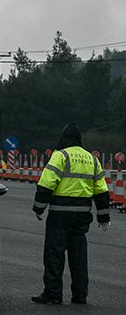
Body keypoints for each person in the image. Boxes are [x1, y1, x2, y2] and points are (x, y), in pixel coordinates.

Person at [31, 123, 111, 305]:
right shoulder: (91, 159)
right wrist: (103, 216)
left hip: (59, 216)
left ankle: (53, 294)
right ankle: (80, 295)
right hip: (82, 217)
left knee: (54, 256)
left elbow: (47, 183)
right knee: (79, 258)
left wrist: (38, 207)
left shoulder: (61, 155)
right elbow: (101, 190)